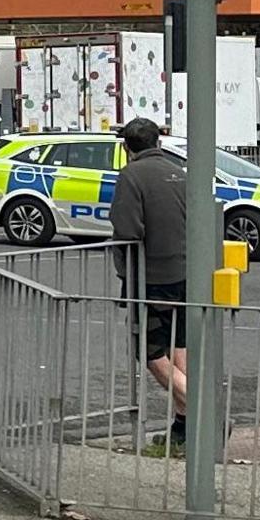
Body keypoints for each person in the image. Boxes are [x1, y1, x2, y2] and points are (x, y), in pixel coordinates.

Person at [108, 117, 189, 453]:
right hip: (185, 274)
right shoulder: (179, 172)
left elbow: (127, 230)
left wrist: (125, 270)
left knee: (150, 351)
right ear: (158, 142)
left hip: (152, 277)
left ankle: (204, 413)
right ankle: (184, 424)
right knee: (178, 345)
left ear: (127, 147)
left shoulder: (131, 175)